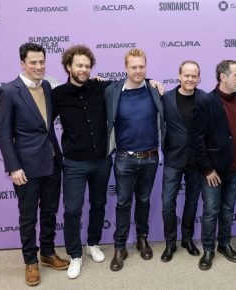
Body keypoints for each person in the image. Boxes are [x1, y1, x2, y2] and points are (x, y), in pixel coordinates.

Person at [0, 43, 69, 286]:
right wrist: (13, 167)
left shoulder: (47, 86)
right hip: (25, 168)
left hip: (51, 162)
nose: (38, 66)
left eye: (41, 62)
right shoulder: (9, 91)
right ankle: (30, 261)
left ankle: (47, 253)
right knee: (28, 217)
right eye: (33, 62)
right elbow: (3, 134)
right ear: (22, 63)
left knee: (49, 212)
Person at [52, 45, 113, 279]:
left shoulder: (99, 86)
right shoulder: (57, 95)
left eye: (87, 66)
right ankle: (75, 255)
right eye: (79, 65)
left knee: (98, 204)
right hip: (74, 164)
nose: (84, 69)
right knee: (72, 210)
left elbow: (129, 83)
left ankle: (93, 243)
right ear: (69, 67)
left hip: (101, 161)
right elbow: (44, 124)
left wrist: (153, 81)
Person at [105, 48, 165, 271]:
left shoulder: (154, 90)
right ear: (125, 68)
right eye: (134, 67)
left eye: (142, 66)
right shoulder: (113, 91)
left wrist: (154, 81)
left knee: (143, 201)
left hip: (150, 157)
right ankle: (119, 247)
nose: (138, 71)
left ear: (145, 67)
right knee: (122, 203)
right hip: (124, 158)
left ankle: (142, 238)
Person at [191, 60, 236, 271]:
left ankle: (224, 244)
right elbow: (197, 139)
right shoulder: (206, 101)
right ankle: (208, 249)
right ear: (223, 77)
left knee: (227, 209)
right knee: (211, 211)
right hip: (213, 171)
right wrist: (207, 169)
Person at [160, 60, 206, 262]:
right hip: (173, 158)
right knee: (167, 204)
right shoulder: (166, 98)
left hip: (197, 161)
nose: (189, 79)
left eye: (193, 76)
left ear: (199, 78)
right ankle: (170, 243)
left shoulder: (205, 98)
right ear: (179, 76)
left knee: (192, 202)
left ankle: (187, 239)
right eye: (186, 75)